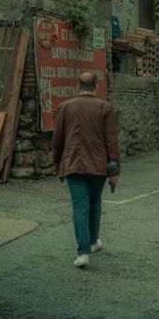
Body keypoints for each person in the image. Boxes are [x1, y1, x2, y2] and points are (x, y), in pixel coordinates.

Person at [52, 72, 120, 268]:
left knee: (80, 206)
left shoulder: (64, 107)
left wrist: (58, 162)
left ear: (78, 86)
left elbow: (57, 139)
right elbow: (111, 140)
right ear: (96, 87)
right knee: (95, 201)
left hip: (73, 164)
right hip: (98, 165)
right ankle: (92, 242)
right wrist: (114, 169)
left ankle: (83, 253)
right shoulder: (105, 108)